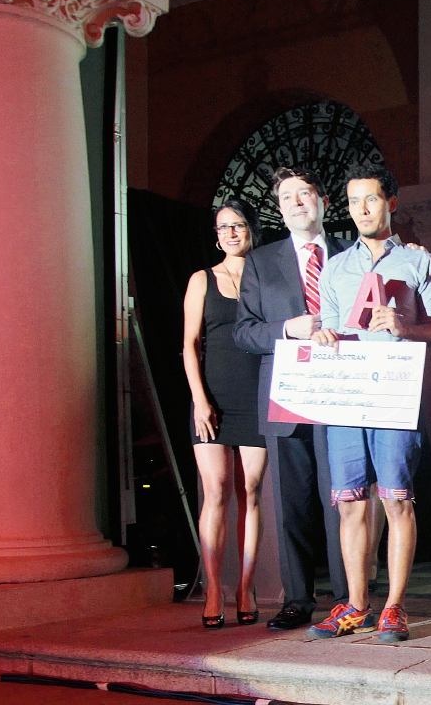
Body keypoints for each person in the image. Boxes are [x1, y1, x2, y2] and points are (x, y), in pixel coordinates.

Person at [309, 162, 431, 643]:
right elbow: (327, 325)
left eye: (370, 199)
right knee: (349, 505)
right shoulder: (335, 268)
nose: (361, 209)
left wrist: (403, 326)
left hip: (393, 395)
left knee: (397, 501)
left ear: (391, 202)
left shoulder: (417, 262)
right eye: (352, 201)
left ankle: (393, 607)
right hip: (348, 397)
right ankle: (355, 605)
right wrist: (324, 334)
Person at [234, 166, 351, 631]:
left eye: (306, 194)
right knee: (292, 504)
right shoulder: (261, 262)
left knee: (343, 501)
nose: (298, 202)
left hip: (342, 394)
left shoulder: (350, 254)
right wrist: (287, 329)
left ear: (323, 201)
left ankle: (349, 596)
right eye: (288, 197)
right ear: (280, 210)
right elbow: (243, 332)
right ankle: (297, 600)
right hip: (286, 398)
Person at [182, 200, 269, 629]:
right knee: (215, 491)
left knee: (250, 492)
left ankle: (245, 587)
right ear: (215, 236)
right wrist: (199, 399)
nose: (232, 233)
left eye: (239, 225)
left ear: (252, 230)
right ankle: (214, 585)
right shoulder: (202, 279)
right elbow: (189, 346)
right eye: (223, 227)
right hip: (211, 398)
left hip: (256, 398)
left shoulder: (265, 279)